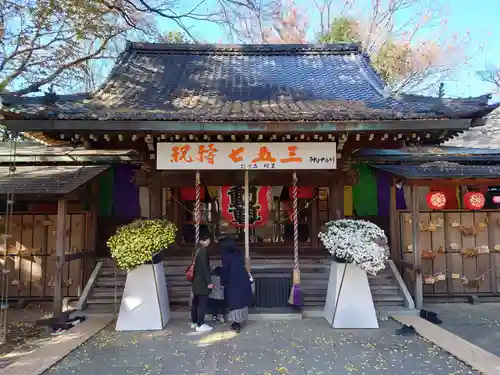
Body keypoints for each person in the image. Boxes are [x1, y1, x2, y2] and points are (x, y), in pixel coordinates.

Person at [220, 237, 254, 333]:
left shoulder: (226, 255)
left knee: (235, 302)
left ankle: (236, 324)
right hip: (242, 279)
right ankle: (239, 321)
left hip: (233, 281)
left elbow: (225, 269)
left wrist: (222, 281)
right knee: (241, 301)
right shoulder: (238, 253)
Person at [190, 232, 214, 332]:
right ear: (204, 240)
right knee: (202, 303)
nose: (208, 243)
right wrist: (209, 282)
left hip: (195, 280)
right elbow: (205, 267)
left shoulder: (196, 249)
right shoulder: (203, 250)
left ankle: (194, 322)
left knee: (195, 302)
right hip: (202, 281)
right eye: (208, 241)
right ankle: (200, 324)